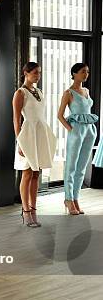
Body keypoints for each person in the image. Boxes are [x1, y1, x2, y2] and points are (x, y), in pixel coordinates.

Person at [13, 62, 56, 227]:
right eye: (35, 73)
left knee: (37, 173)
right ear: (26, 73)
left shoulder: (39, 92)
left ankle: (34, 208)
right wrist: (20, 142)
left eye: (39, 73)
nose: (38, 75)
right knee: (27, 173)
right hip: (28, 135)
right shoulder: (20, 93)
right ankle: (25, 211)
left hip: (40, 134)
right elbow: (16, 120)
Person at [57, 63, 99, 215]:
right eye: (83, 72)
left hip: (89, 131)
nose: (86, 74)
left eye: (87, 72)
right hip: (76, 132)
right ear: (74, 73)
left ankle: (75, 198)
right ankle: (68, 199)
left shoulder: (86, 91)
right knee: (71, 166)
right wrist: (71, 129)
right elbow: (59, 115)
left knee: (81, 168)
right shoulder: (69, 93)